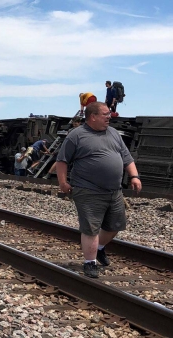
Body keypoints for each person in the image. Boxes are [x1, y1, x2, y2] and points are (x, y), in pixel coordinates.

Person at [56, 102, 141, 278]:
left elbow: (127, 158)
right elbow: (62, 161)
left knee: (116, 225)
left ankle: (99, 248)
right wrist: (63, 183)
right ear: (93, 116)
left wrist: (134, 176)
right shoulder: (76, 136)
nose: (109, 117)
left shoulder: (113, 133)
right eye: (105, 114)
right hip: (87, 189)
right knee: (91, 228)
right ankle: (90, 263)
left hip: (114, 190)